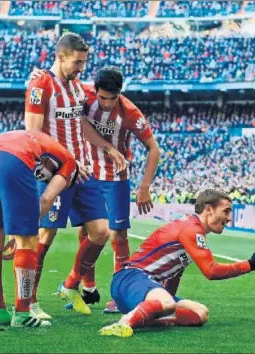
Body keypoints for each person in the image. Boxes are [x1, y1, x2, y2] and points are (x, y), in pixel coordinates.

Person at [24, 32, 126, 319]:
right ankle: (29, 302)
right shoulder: (41, 84)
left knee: (101, 231)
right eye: (77, 62)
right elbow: (33, 135)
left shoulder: (78, 87)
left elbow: (81, 126)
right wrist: (64, 161)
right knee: (44, 237)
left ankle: (71, 284)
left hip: (82, 171)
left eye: (84, 62)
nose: (81, 68)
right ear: (61, 56)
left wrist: (108, 148)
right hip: (54, 171)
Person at [99, 189, 255, 337]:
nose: (229, 218)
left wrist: (165, 301)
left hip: (139, 285)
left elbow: (175, 275)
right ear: (209, 209)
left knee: (200, 313)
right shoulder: (191, 229)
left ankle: (145, 315)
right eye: (226, 211)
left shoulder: (191, 228)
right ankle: (125, 323)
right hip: (131, 278)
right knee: (167, 303)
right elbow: (211, 271)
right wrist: (249, 265)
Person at [70, 66, 160, 313]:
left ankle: (119, 295)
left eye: (112, 98)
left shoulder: (130, 113)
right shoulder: (84, 94)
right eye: (102, 98)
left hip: (116, 177)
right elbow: (80, 125)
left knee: (118, 234)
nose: (106, 103)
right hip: (87, 171)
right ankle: (88, 289)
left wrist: (145, 186)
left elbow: (154, 149)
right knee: (86, 231)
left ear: (120, 93)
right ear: (95, 91)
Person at [0, 130, 78, 329]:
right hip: (13, 161)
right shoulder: (70, 163)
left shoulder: (32, 139)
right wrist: (23, 227)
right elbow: (46, 199)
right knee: (28, 240)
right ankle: (22, 314)